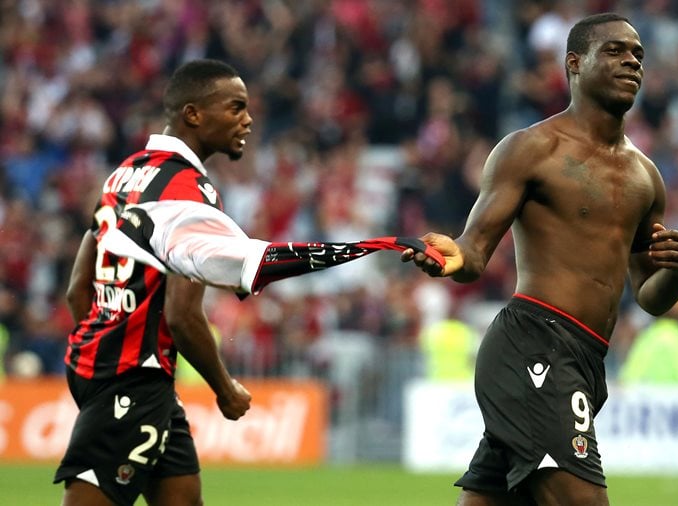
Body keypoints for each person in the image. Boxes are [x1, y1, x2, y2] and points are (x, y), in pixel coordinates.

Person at [54, 58, 441, 506]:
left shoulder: (125, 173)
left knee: (182, 498)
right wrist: (225, 388)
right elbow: (183, 314)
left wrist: (102, 344)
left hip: (121, 371)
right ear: (194, 114)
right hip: (131, 379)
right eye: (235, 107)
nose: (248, 119)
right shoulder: (184, 190)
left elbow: (77, 287)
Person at [401, 13, 678, 506]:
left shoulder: (647, 177)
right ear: (574, 64)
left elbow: (651, 298)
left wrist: (677, 273)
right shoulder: (530, 150)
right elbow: (473, 252)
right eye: (616, 51)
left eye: (638, 55)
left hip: (584, 360)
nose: (632, 62)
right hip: (533, 344)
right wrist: (451, 258)